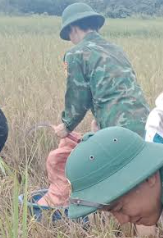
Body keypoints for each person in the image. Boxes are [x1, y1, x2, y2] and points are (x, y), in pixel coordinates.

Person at [54, 3, 150, 140]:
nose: (71, 40)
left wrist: (66, 125)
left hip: (118, 128)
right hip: (147, 122)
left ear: (73, 28)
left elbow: (78, 98)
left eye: (69, 35)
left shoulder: (75, 54)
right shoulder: (116, 49)